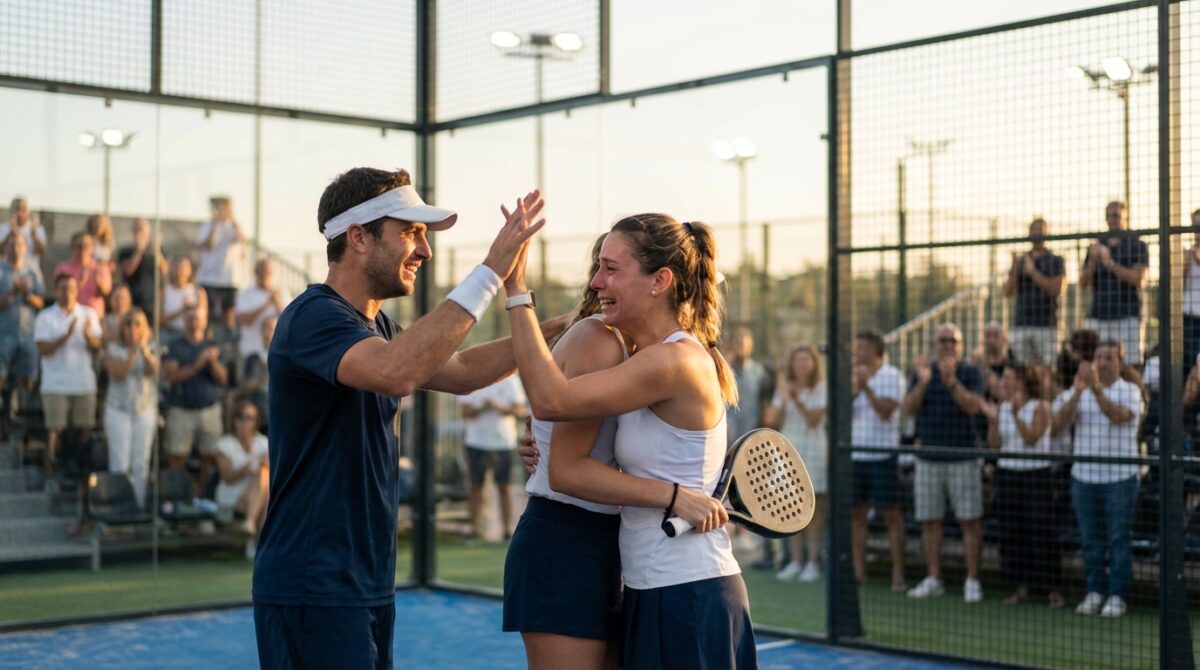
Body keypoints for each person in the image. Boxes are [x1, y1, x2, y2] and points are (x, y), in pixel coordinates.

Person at [252, 167, 554, 670]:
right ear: (358, 238)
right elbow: (396, 371)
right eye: (410, 232)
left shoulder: (376, 324)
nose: (425, 250)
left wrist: (556, 328)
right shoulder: (312, 317)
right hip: (313, 586)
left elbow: (461, 371)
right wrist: (489, 273)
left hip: (364, 583)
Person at [507, 214, 756, 670]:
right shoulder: (646, 358)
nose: (597, 281)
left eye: (611, 268)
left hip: (688, 588)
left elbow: (551, 399)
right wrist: (539, 439)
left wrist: (516, 293)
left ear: (660, 281)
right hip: (649, 584)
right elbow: (568, 430)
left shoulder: (674, 360)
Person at [504, 233, 633, 670]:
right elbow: (566, 462)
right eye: (601, 267)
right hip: (567, 540)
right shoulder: (598, 338)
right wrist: (674, 495)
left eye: (613, 268)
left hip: (619, 543)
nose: (600, 280)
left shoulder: (647, 349)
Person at [1053, 340, 1143, 618]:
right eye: (1098, 357)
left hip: (1120, 478)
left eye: (1109, 358)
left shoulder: (1130, 391)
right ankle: (1094, 591)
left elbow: (1118, 416)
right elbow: (1057, 426)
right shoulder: (1079, 391)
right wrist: (1078, 394)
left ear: (1120, 363)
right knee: (1090, 541)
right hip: (1084, 477)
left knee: (1118, 539)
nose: (1102, 362)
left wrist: (1095, 389)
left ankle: (1117, 595)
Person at [903, 323, 986, 603]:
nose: (948, 345)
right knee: (930, 521)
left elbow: (974, 407)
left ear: (960, 345)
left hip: (963, 458)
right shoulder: (923, 373)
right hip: (928, 459)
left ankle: (972, 580)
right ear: (935, 344)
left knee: (969, 521)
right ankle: (933, 577)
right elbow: (908, 409)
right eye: (943, 340)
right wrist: (925, 382)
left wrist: (951, 381)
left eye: (953, 340)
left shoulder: (971, 372)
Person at [981, 362, 1063, 609]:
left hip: (1035, 476)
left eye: (1008, 378)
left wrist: (1016, 415)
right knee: (1013, 532)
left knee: (1040, 532)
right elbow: (994, 444)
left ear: (1021, 382)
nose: (1003, 383)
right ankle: (1021, 586)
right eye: (1002, 378)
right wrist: (994, 420)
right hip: (1009, 475)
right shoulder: (1003, 406)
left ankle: (1053, 589)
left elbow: (1031, 439)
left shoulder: (1040, 407)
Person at [848, 330, 907, 591]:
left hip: (883, 456)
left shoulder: (892, 376)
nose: (856, 352)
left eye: (860, 347)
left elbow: (886, 412)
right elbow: (840, 410)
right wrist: (854, 388)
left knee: (891, 515)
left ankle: (898, 573)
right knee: (856, 514)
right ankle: (858, 572)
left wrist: (867, 388)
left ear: (874, 351)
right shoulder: (851, 376)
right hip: (855, 455)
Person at [766, 344, 827, 583]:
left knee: (814, 510)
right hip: (788, 452)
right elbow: (771, 420)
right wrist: (781, 402)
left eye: (806, 360)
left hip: (814, 450)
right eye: (798, 360)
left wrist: (795, 398)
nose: (802, 365)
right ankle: (795, 561)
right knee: (790, 508)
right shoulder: (784, 388)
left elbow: (814, 420)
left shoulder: (821, 387)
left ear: (813, 364)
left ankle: (813, 562)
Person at [33, 275, 103, 477]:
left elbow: (98, 346)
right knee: (54, 429)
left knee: (84, 429)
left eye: (72, 288)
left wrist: (89, 337)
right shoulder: (45, 316)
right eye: (64, 288)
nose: (68, 292)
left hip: (84, 383)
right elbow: (43, 348)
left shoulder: (88, 314)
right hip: (55, 384)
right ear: (56, 290)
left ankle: (80, 470)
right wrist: (66, 336)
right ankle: (51, 471)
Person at [724, 325, 775, 568]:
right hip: (725, 436)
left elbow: (766, 402)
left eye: (745, 340)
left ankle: (748, 533)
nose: (741, 345)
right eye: (737, 340)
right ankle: (729, 531)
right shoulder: (723, 367)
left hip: (751, 437)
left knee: (750, 486)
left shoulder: (760, 372)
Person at [458, 375, 526, 540]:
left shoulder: (511, 380)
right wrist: (482, 406)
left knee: (505, 487)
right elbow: (464, 412)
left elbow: (520, 410)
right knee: (476, 487)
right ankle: (474, 529)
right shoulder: (472, 376)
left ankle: (507, 530)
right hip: (476, 441)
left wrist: (499, 407)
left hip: (503, 442)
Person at [102, 309, 159, 508]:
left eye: (137, 324)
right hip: (118, 410)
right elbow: (118, 373)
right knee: (120, 462)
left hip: (144, 410)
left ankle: (138, 505)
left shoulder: (151, 348)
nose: (132, 329)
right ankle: (119, 506)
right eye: (128, 324)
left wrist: (143, 350)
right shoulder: (113, 348)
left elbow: (155, 371)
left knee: (140, 463)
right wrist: (133, 354)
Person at [1081, 201, 1148, 364]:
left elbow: (1139, 279)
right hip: (1098, 315)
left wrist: (1109, 262)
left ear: (1126, 217)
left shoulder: (1136, 244)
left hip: (1127, 315)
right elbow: (1082, 284)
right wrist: (1092, 261)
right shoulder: (1097, 244)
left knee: (1129, 364)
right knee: (1094, 364)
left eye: (1116, 215)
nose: (1112, 219)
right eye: (1108, 216)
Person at [162, 308, 227, 473]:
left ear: (205, 322)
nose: (194, 322)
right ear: (184, 321)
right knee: (177, 457)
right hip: (181, 408)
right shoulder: (175, 346)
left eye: (197, 318)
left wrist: (212, 363)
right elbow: (171, 377)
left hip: (209, 409)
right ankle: (177, 494)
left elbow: (223, 378)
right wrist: (197, 364)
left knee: (210, 458)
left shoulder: (213, 345)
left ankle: (204, 495)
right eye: (190, 318)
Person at [1004, 218, 1065, 364]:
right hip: (1022, 323)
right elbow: (1007, 292)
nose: (1037, 233)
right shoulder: (1022, 259)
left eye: (1040, 229)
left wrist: (1033, 272)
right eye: (1034, 229)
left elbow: (1057, 289)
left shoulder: (1055, 260)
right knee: (1021, 368)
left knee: (1048, 367)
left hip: (1046, 324)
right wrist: (1015, 269)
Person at [0, 235, 45, 435]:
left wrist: (26, 294)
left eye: (19, 243)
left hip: (28, 333)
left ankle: (20, 418)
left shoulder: (33, 271)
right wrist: (12, 292)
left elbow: (41, 302)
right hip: (3, 332)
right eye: (12, 244)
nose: (15, 247)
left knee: (26, 378)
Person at [214, 400, 270, 560]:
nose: (246, 422)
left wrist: (264, 465)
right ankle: (256, 542)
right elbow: (228, 477)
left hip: (258, 494)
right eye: (242, 417)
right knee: (265, 491)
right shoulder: (224, 444)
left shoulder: (263, 442)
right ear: (234, 420)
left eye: (250, 418)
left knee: (265, 477)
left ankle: (250, 525)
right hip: (232, 493)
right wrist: (250, 467)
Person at [195, 196, 246, 322]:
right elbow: (208, 245)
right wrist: (214, 225)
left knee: (229, 317)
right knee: (208, 315)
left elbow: (242, 242)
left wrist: (234, 223)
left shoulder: (234, 227)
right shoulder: (206, 226)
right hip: (209, 279)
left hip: (229, 280)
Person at [235, 258, 290, 369]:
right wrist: (267, 304)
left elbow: (290, 320)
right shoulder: (245, 294)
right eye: (262, 272)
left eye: (268, 272)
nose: (265, 275)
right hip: (251, 351)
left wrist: (277, 303)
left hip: (277, 352)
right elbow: (243, 320)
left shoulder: (282, 293)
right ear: (256, 273)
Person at [117, 217, 168, 319]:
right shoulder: (126, 251)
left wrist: (157, 252)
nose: (139, 231)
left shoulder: (156, 249)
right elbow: (128, 271)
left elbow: (164, 270)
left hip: (152, 300)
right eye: (137, 228)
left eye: (142, 228)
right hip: (132, 299)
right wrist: (139, 251)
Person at [54, 233, 112, 317]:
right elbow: (59, 293)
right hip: (68, 316)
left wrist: (98, 281)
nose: (83, 249)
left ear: (92, 248)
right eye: (79, 246)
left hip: (94, 316)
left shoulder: (100, 268)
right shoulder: (63, 269)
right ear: (72, 248)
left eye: (87, 246)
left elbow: (106, 294)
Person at [241, 317, 275, 435]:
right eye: (267, 329)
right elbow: (247, 387)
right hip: (260, 412)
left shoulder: (287, 357)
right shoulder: (253, 359)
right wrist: (265, 371)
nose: (270, 333)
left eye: (273, 329)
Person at [160, 255, 206, 343]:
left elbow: (203, 321)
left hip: (191, 334)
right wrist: (182, 310)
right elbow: (160, 321)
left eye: (183, 267)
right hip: (169, 333)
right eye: (177, 267)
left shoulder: (198, 292)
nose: (179, 271)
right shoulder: (164, 292)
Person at [0, 197, 47, 280]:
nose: (20, 213)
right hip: (6, 273)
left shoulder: (37, 229)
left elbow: (42, 252)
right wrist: (10, 233)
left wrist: (33, 234)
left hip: (31, 273)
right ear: (11, 211)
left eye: (23, 209)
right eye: (17, 209)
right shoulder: (3, 228)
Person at [1182, 208, 1200, 377]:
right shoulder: (1185, 254)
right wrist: (1186, 264)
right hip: (1189, 318)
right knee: (1188, 363)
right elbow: (1175, 288)